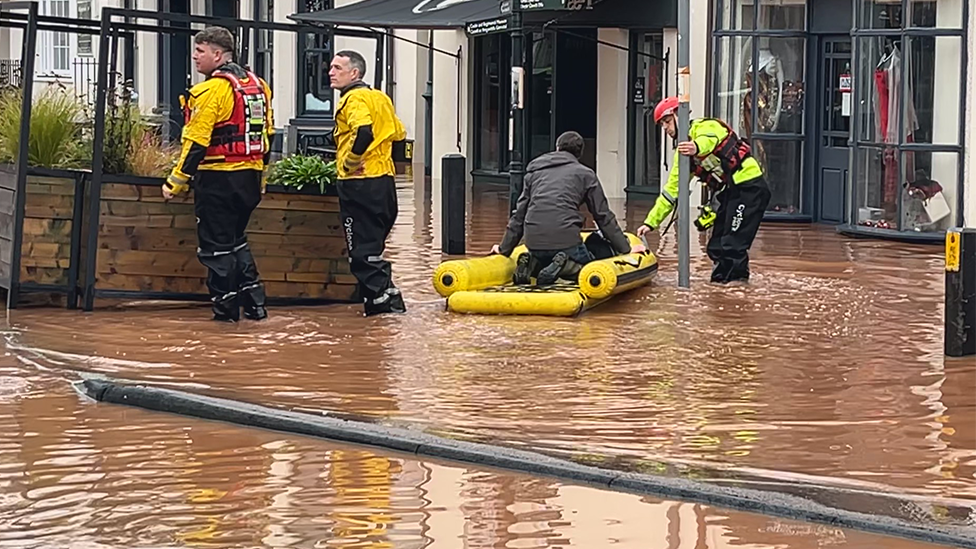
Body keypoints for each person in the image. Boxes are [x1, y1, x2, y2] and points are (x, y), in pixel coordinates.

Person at [163, 26, 273, 322]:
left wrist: (175, 181)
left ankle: (225, 314)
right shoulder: (258, 85)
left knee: (216, 248)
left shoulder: (211, 90)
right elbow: (267, 135)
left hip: (219, 179)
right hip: (249, 177)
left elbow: (196, 142)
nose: (195, 57)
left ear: (218, 54)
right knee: (237, 241)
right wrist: (261, 178)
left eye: (200, 51)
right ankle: (255, 306)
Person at [637, 97, 771, 284]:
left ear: (679, 115)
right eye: (662, 125)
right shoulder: (683, 157)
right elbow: (671, 192)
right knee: (716, 247)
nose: (665, 129)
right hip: (731, 192)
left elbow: (710, 140)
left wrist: (696, 147)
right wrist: (650, 223)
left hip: (750, 187)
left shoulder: (705, 127)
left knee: (732, 245)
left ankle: (737, 292)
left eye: (667, 122)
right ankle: (721, 288)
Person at [490, 131, 645, 286]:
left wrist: (504, 249)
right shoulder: (586, 174)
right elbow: (603, 217)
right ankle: (565, 267)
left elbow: (519, 216)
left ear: (557, 148)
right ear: (579, 153)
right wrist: (626, 250)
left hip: (534, 243)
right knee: (593, 262)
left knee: (545, 255)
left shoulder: (534, 172)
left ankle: (533, 264)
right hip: (567, 243)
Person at [329, 50, 407, 316]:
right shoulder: (380, 97)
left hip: (359, 184)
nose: (331, 72)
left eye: (338, 68)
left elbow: (364, 131)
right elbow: (398, 133)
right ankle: (384, 307)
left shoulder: (353, 99)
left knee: (361, 253)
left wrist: (350, 162)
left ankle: (383, 304)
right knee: (373, 248)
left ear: (355, 73)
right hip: (384, 182)